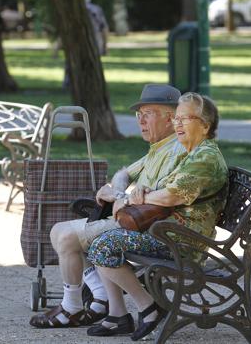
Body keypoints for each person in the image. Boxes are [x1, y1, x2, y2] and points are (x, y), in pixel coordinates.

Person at [29, 84, 186, 329]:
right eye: (139, 115)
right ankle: (102, 300)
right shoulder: (157, 149)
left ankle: (74, 307)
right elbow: (123, 173)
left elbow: (161, 198)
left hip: (146, 225)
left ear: (171, 118)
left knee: (67, 236)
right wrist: (117, 191)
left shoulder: (177, 150)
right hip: (132, 218)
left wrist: (122, 200)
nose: (141, 121)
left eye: (149, 114)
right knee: (58, 230)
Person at [86, 92, 228, 340]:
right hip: (167, 231)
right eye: (178, 119)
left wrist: (130, 199)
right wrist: (144, 190)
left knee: (104, 245)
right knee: (104, 240)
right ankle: (130, 311)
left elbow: (171, 197)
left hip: (184, 242)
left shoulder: (205, 158)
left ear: (205, 125)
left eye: (187, 118)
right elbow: (162, 190)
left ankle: (148, 308)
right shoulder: (190, 152)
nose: (179, 124)